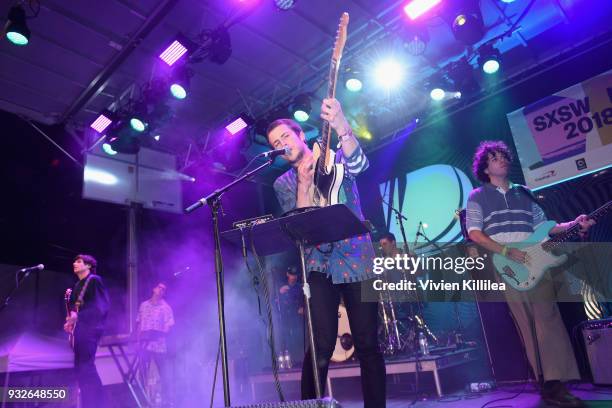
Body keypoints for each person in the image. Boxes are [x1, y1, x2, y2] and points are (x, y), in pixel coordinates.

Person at [267, 98, 385, 407]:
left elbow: (361, 167)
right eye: (276, 144)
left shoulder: (336, 157)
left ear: (300, 136)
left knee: (367, 343)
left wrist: (342, 125)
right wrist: (304, 184)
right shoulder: (283, 183)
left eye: (285, 137)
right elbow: (299, 227)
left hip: (356, 255)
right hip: (318, 264)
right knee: (320, 344)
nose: (282, 145)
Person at [466, 140, 595, 408]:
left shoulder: (524, 192)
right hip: (507, 262)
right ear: (485, 167)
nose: (502, 159)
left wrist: (574, 224)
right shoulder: (477, 196)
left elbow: (546, 226)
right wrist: (504, 250)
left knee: (548, 318)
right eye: (495, 157)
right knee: (526, 323)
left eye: (504, 155)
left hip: (536, 258)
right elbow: (474, 232)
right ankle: (545, 384)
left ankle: (557, 383)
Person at [64, 254, 110, 408]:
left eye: (79, 261)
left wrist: (79, 317)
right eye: (74, 260)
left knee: (86, 367)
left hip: (91, 329)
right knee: (80, 368)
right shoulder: (77, 285)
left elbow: (101, 307)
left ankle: (98, 404)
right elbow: (74, 311)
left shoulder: (94, 280)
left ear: (88, 266)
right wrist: (69, 322)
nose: (74, 263)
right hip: (80, 330)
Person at [137, 281, 175, 407]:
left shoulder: (166, 308)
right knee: (143, 373)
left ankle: (166, 400)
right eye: (159, 287)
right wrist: (137, 341)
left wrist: (158, 334)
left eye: (164, 289)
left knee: (164, 373)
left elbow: (169, 326)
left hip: (159, 346)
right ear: (153, 289)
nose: (161, 290)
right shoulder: (143, 305)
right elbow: (139, 323)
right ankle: (143, 400)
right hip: (144, 346)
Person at [278, 267, 304, 364]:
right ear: (287, 274)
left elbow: (304, 300)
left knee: (298, 337)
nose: (293, 277)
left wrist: (303, 307)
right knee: (286, 339)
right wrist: (280, 293)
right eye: (291, 275)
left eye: (295, 275)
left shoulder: (299, 287)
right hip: (285, 318)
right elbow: (274, 302)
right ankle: (290, 361)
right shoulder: (281, 287)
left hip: (297, 317)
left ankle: (299, 360)